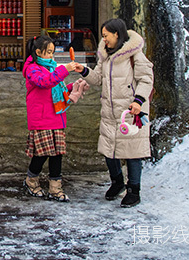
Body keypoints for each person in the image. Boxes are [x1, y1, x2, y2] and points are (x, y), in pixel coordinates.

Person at [76, 18, 153, 208]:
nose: (104, 40)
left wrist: (138, 101)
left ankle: (134, 190)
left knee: (133, 152)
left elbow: (146, 80)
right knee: (109, 150)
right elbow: (97, 79)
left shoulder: (135, 55)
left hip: (130, 112)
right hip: (110, 112)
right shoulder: (106, 56)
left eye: (106, 36)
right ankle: (117, 182)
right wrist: (84, 71)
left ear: (116, 34)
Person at [22, 34, 89, 202]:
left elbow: (57, 90)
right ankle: (31, 180)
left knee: (57, 154)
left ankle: (55, 188)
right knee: (41, 154)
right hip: (41, 118)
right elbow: (45, 82)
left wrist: (74, 87)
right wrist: (65, 69)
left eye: (52, 52)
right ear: (38, 52)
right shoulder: (32, 69)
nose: (52, 56)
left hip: (56, 116)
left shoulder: (52, 68)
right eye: (49, 52)